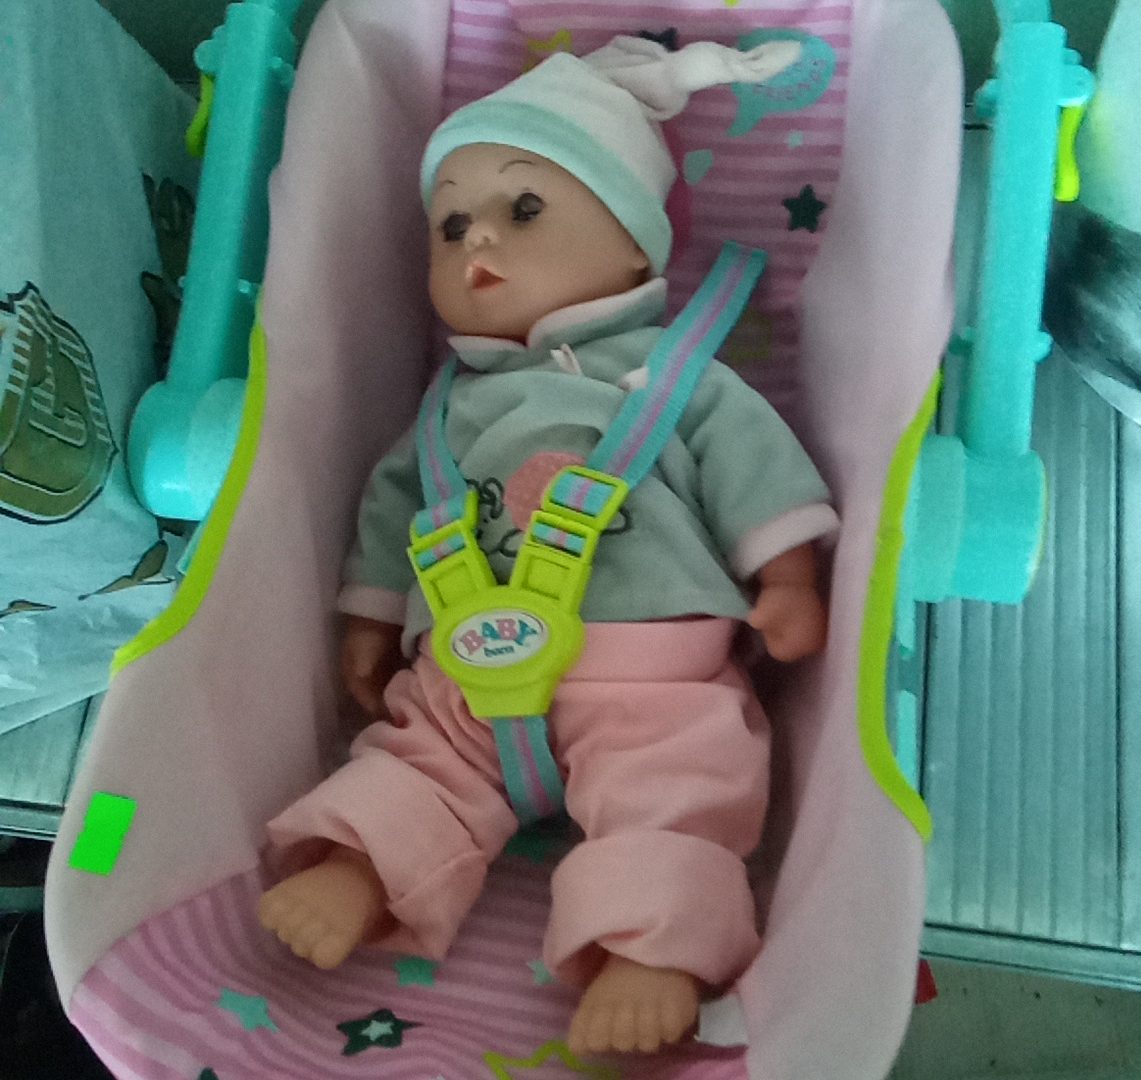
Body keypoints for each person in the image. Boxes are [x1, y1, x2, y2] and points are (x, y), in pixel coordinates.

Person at [258, 36, 837, 1057]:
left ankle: (652, 947)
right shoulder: (450, 408)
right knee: (418, 761)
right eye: (450, 223)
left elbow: (755, 463)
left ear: (636, 246)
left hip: (653, 675)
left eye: (525, 207)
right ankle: (362, 866)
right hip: (471, 667)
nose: (477, 234)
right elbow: (398, 509)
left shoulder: (675, 375)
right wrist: (372, 618)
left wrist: (786, 574)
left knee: (681, 789)